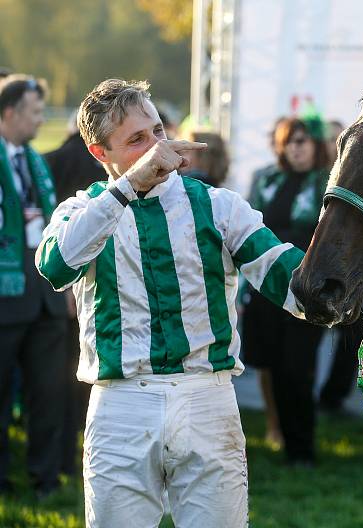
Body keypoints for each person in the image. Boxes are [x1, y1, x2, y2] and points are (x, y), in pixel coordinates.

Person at [35, 79, 305, 527]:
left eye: (158, 131)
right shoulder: (81, 209)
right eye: (137, 140)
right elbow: (56, 265)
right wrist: (127, 188)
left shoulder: (219, 206)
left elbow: (287, 278)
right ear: (99, 153)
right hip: (120, 405)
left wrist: (355, 281)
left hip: (207, 397)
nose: (158, 147)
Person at [241, 116, 328, 465]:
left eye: (304, 140)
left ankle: (303, 448)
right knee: (275, 369)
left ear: (317, 144)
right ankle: (287, 443)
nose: (297, 147)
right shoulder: (266, 181)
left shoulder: (327, 183)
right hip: (267, 292)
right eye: (290, 141)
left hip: (308, 291)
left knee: (298, 370)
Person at [0, 74, 69, 499]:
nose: (41, 121)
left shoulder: (36, 160)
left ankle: (46, 476)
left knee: (49, 390)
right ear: (9, 113)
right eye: (35, 112)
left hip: (45, 294)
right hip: (5, 296)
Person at [44, 108, 107, 478]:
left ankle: (65, 455)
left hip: (56, 287)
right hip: (84, 287)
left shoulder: (47, 161)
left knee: (63, 378)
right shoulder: (94, 171)